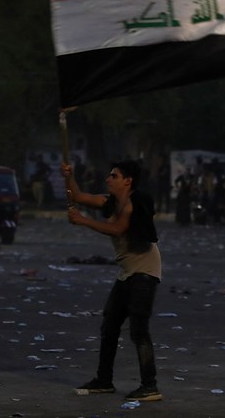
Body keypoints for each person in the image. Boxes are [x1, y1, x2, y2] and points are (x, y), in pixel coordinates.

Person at [61, 159, 163, 402]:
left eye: (113, 176)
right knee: (109, 326)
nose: (107, 179)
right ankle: (104, 380)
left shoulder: (134, 203)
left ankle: (150, 386)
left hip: (145, 270)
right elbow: (77, 195)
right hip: (127, 271)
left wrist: (83, 220)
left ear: (127, 181)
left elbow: (118, 229)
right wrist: (68, 175)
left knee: (139, 331)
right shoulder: (110, 202)